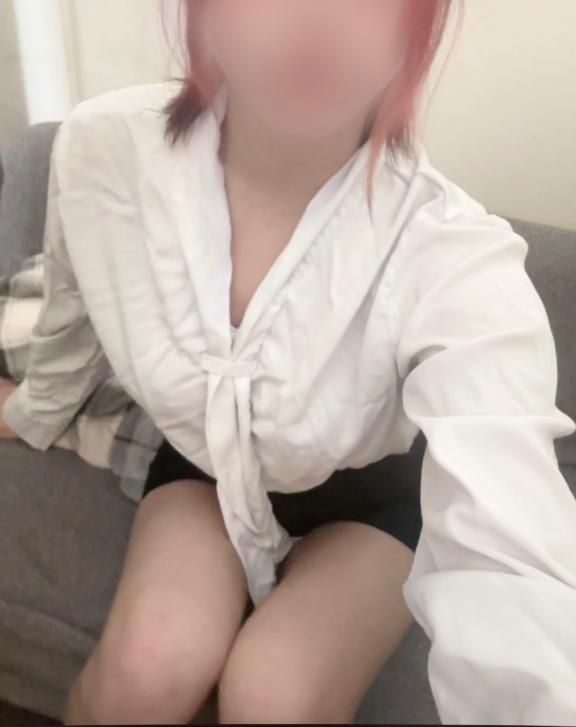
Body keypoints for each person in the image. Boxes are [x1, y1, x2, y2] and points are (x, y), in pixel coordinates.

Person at [2, 1, 576, 724]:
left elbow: (514, 563)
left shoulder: (452, 257)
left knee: (275, 695)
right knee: (142, 675)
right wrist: (36, 409)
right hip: (207, 466)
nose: (320, 15)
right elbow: (74, 311)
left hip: (373, 494)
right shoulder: (101, 152)